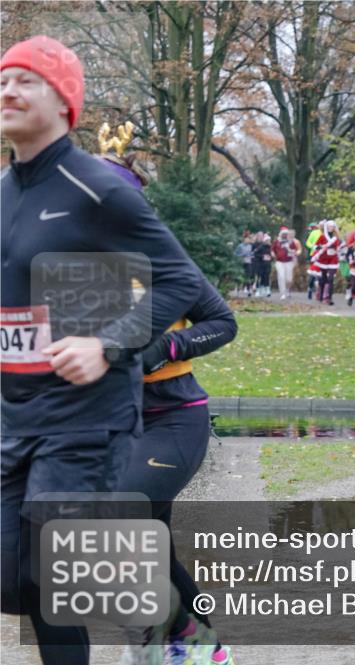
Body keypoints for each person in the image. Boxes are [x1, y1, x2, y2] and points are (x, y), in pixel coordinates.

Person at [1, 36, 203, 664]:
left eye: (26, 80)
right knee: (14, 580)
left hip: (86, 419)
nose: (8, 90)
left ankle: (184, 635)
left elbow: (181, 281)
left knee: (46, 571)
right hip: (16, 417)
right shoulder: (5, 190)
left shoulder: (97, 188)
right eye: (3, 79)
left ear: (64, 101)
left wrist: (108, 344)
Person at [99, 147, 236, 664]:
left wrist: (164, 349)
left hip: (172, 419)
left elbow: (223, 322)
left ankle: (176, 641)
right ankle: (198, 638)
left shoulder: (162, 256)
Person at [313, 220, 341, 305]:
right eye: (329, 227)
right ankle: (321, 295)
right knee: (323, 278)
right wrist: (321, 246)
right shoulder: (322, 237)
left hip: (333, 259)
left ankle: (329, 298)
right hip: (324, 259)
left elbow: (339, 246)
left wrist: (337, 248)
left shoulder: (336, 237)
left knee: (331, 279)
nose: (330, 228)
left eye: (332, 227)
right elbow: (315, 246)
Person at [271, 226, 300, 300]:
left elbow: (296, 250)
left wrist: (291, 251)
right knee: (281, 276)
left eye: (285, 234)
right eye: (283, 234)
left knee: (289, 279)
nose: (284, 235)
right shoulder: (277, 241)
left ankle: (287, 290)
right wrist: (273, 254)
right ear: (280, 234)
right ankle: (282, 293)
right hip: (279, 261)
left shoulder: (291, 242)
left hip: (289, 261)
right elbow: (272, 250)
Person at [233, 231, 254, 297]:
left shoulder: (250, 246)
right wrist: (242, 255)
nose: (248, 240)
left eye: (249, 239)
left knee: (248, 276)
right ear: (244, 239)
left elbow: (251, 254)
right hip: (241, 262)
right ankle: (237, 290)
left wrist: (251, 255)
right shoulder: (240, 246)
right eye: (247, 239)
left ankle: (248, 290)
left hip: (248, 262)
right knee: (239, 276)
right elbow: (235, 254)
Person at [252, 231, 273, 297]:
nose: (268, 242)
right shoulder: (261, 247)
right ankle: (258, 290)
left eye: (269, 240)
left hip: (268, 265)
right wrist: (262, 256)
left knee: (266, 277)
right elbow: (255, 254)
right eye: (267, 240)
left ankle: (267, 290)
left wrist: (271, 257)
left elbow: (273, 255)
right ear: (264, 241)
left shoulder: (270, 248)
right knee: (259, 277)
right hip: (260, 265)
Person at [304, 222, 321, 299]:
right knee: (313, 273)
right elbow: (308, 243)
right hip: (313, 254)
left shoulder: (327, 233)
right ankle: (310, 288)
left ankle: (320, 292)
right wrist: (313, 247)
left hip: (324, 256)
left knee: (321, 274)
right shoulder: (314, 233)